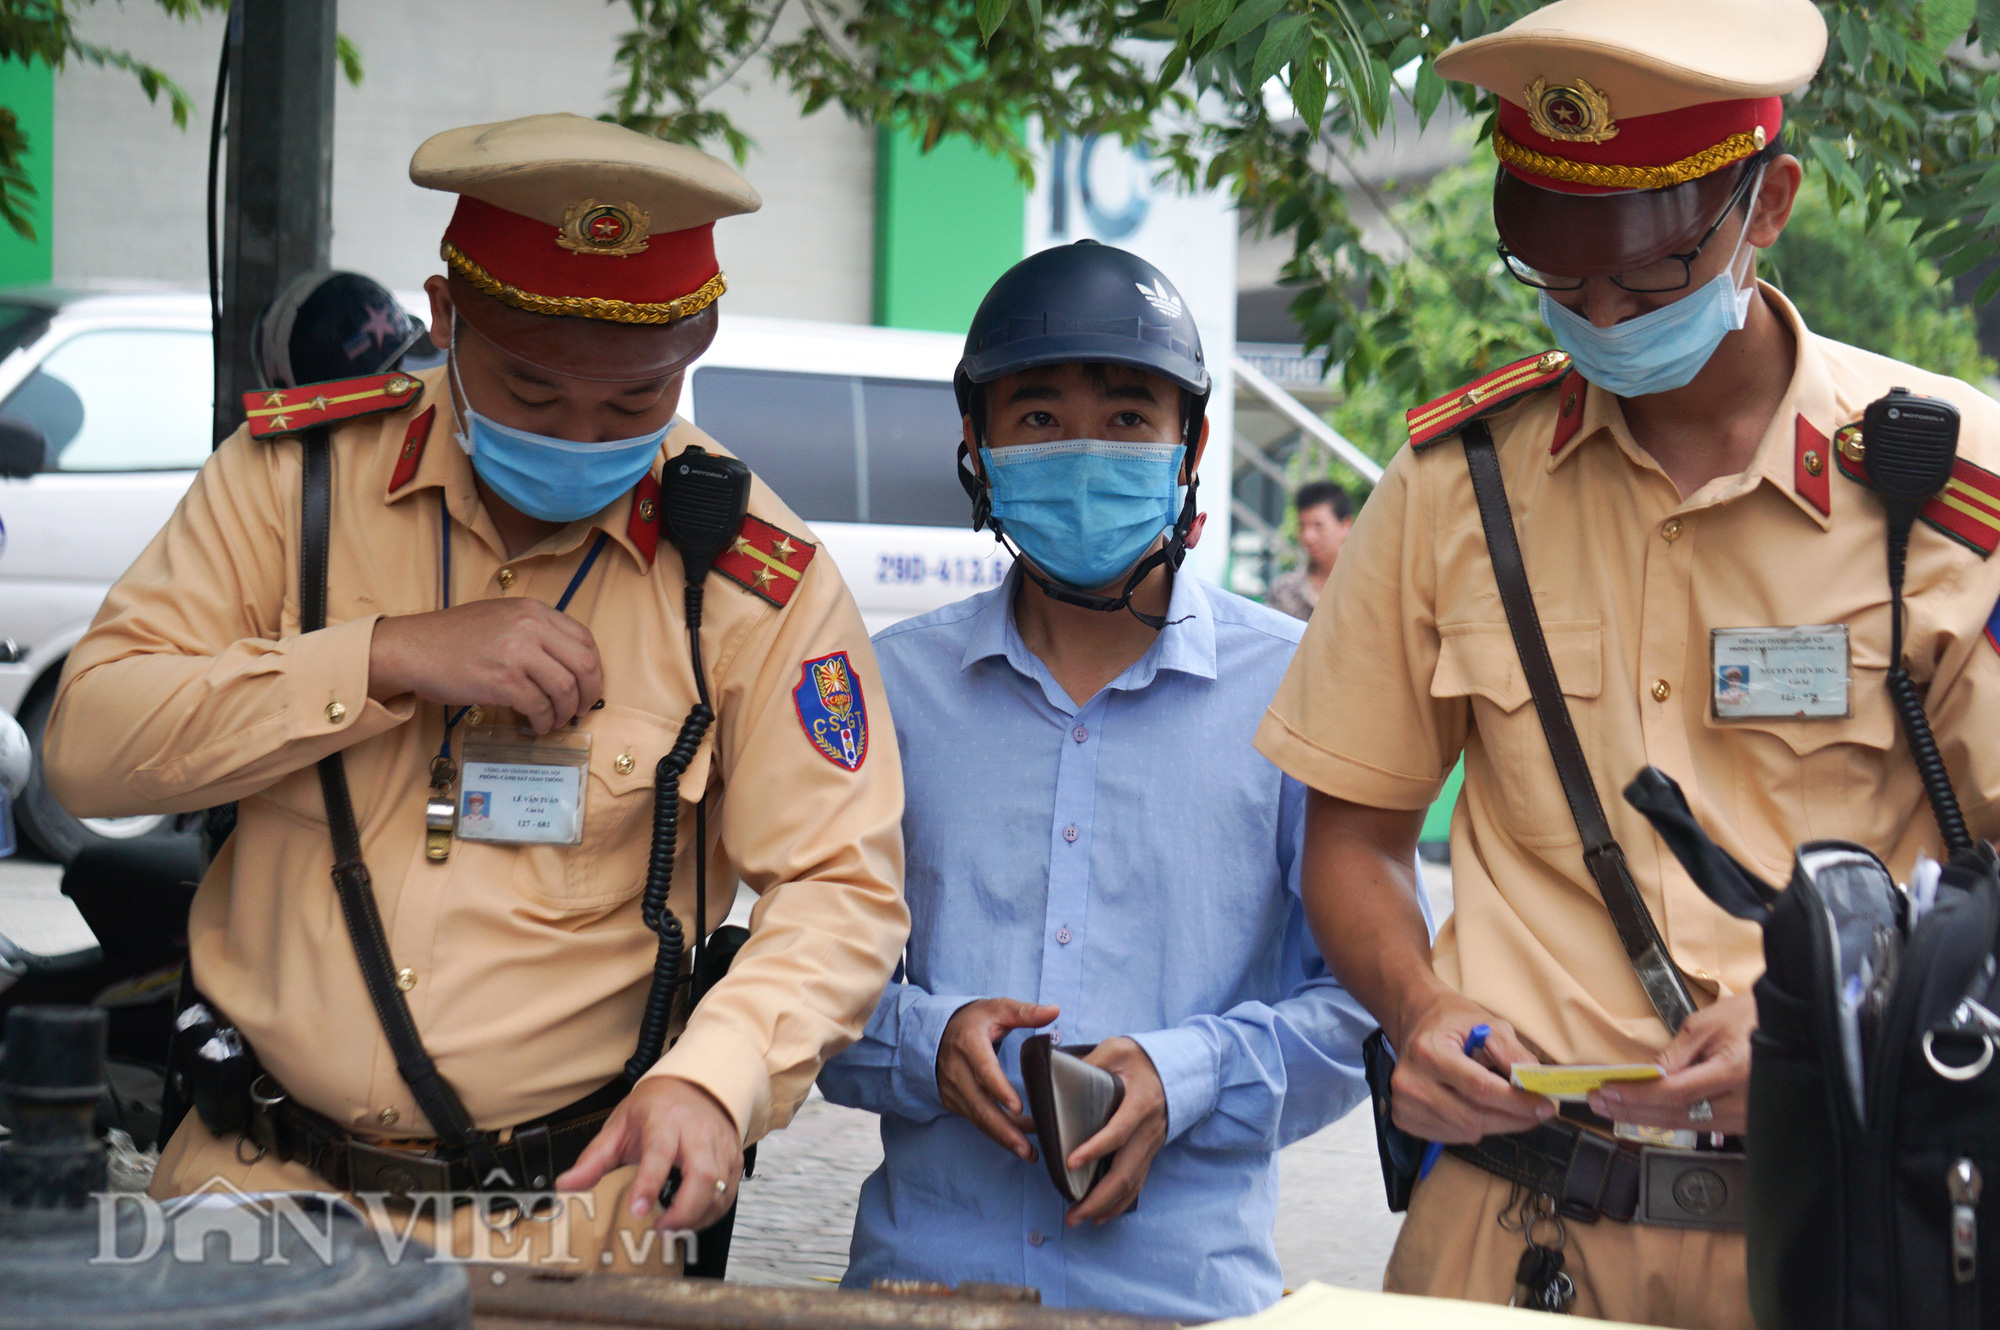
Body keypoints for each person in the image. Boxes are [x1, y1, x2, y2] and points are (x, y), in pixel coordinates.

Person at [43, 113, 908, 1269]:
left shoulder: (749, 575)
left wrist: (719, 1075)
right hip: (247, 1200)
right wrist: (381, 655)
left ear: (696, 344)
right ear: (444, 318)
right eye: (535, 394)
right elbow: (90, 746)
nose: (584, 435)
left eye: (636, 400)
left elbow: (841, 884)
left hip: (564, 1237)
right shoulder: (293, 491)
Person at [1253, 1, 2000, 1325]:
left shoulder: (1949, 494)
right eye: (1559, 281)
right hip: (1510, 1229)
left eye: (1647, 284)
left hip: (1842, 1237)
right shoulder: (1450, 487)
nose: (1601, 317)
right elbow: (1354, 836)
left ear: (1768, 204)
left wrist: (1846, 1022)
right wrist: (1418, 1005)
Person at [817, 241, 1384, 1320]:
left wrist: (1187, 1077)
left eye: (1126, 418)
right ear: (975, 447)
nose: (1082, 452)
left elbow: (1362, 1004)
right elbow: (807, 976)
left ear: (1191, 444)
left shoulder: (1298, 692)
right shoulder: (892, 690)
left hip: (1185, 1299)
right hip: (914, 1291)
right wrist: (921, 1042)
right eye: (1036, 419)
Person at [1265, 480, 1352, 621]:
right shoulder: (1284, 591)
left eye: (1318, 525)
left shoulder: (1365, 586)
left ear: (1344, 525)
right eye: (1302, 526)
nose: (1308, 537)